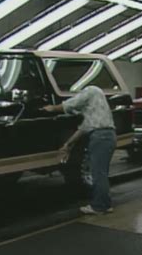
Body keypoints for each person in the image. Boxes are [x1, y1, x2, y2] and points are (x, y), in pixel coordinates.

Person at [42, 85, 116, 215]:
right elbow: (83, 128)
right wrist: (68, 144)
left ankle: (99, 207)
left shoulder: (90, 90)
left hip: (99, 137)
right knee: (101, 173)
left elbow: (70, 105)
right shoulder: (97, 107)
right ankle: (106, 204)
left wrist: (52, 108)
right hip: (108, 136)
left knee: (98, 174)